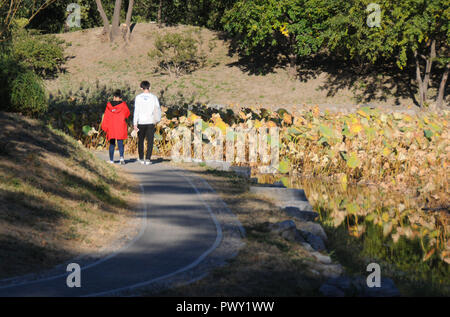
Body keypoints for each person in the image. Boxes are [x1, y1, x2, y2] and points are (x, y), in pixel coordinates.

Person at [133, 81, 162, 165]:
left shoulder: (138, 97)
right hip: (150, 121)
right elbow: (157, 109)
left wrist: (135, 123)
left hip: (140, 122)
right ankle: (148, 159)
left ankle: (141, 158)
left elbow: (136, 111)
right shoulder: (154, 97)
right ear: (150, 87)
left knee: (140, 140)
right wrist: (157, 120)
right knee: (150, 141)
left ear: (141, 88)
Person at [101, 89, 131, 165]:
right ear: (120, 97)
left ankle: (111, 160)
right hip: (120, 126)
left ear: (114, 97)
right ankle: (121, 158)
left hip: (111, 127)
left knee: (112, 143)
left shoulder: (108, 105)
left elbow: (106, 116)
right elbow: (127, 114)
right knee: (120, 143)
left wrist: (104, 126)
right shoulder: (123, 105)